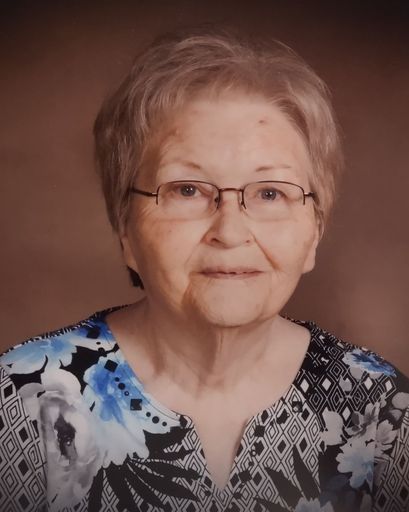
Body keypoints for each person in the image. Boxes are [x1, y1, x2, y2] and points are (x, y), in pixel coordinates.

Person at [0, 29, 408, 512]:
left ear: (315, 231)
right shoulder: (20, 400)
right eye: (187, 190)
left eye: (270, 193)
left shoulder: (382, 412)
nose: (229, 232)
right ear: (125, 226)